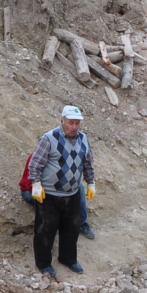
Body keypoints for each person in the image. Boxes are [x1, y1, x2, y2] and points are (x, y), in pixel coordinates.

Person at [24, 105, 96, 278]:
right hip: (49, 195)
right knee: (45, 230)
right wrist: (36, 184)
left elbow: (87, 163)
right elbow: (35, 164)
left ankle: (68, 259)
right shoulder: (49, 139)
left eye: (77, 123)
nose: (74, 127)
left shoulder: (83, 139)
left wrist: (91, 183)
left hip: (72, 193)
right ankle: (44, 263)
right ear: (62, 121)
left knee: (71, 229)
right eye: (71, 123)